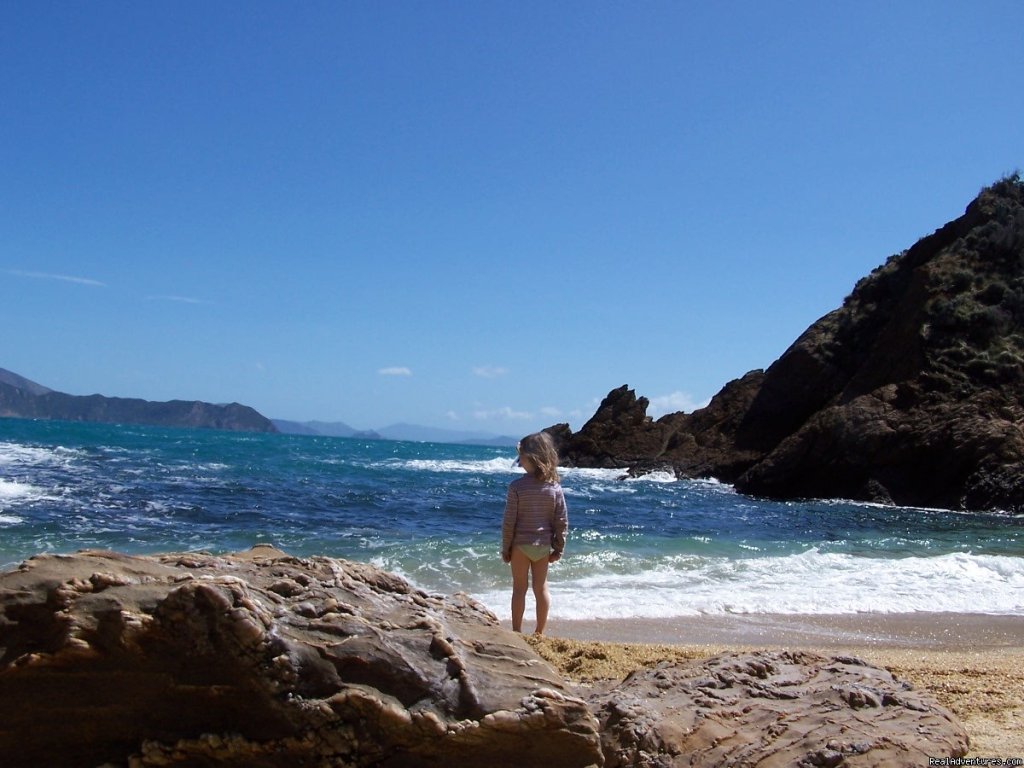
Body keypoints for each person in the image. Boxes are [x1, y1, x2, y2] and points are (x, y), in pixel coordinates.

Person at [501, 431, 568, 635]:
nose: (519, 461)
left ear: (531, 458)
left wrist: (506, 547)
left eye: (521, 456)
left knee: (519, 589)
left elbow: (509, 521)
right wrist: (559, 547)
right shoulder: (554, 488)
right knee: (541, 589)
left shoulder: (516, 487)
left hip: (520, 545)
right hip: (542, 545)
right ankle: (539, 632)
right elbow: (561, 520)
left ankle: (516, 630)